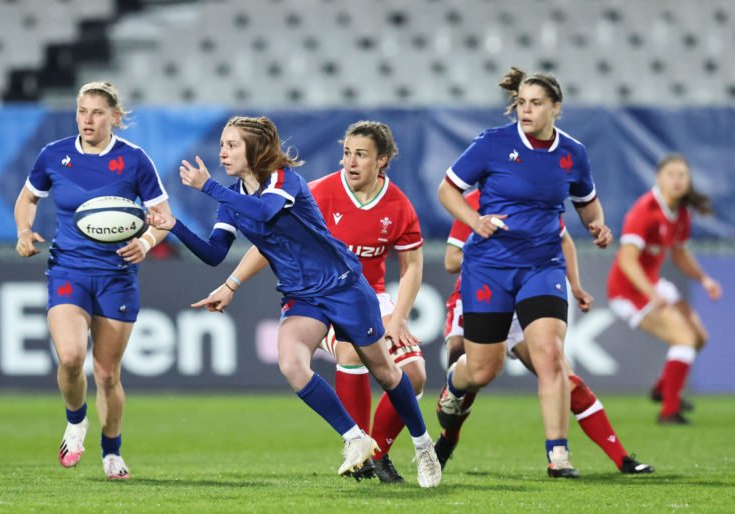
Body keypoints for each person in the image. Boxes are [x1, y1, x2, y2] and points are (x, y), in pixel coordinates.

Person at [147, 116, 441, 487]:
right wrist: (174, 225)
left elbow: (265, 212)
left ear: (254, 149)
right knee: (291, 364)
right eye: (222, 144)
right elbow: (213, 252)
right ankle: (355, 438)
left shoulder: (284, 180)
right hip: (302, 296)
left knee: (385, 372)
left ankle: (423, 445)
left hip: (345, 286)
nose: (222, 152)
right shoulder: (232, 199)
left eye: (232, 144)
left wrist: (208, 187)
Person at [436, 66, 613, 478]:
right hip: (490, 267)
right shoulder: (492, 144)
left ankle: (558, 455)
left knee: (550, 355)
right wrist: (474, 221)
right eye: (521, 103)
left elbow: (587, 203)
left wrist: (597, 226)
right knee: (483, 368)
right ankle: (454, 383)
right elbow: (447, 189)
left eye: (536, 104)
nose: (526, 110)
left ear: (556, 108)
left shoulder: (573, 153)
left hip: (542, 264)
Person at [13, 81, 171, 480]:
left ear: (114, 118)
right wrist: (23, 231)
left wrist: (148, 241)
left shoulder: (134, 160)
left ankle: (112, 451)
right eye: (82, 111)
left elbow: (163, 217)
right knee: (69, 357)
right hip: (68, 269)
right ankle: (75, 420)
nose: (88, 119)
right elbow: (28, 197)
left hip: (117, 275)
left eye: (97, 112)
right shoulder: (54, 155)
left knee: (106, 374)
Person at [434, 191, 654, 474]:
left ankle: (621, 458)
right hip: (480, 296)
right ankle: (448, 437)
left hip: (522, 302)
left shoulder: (538, 193)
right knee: (474, 375)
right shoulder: (476, 202)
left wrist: (575, 286)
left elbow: (564, 240)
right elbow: (451, 261)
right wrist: (498, 253)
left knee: (561, 372)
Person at [309, 120, 425, 483]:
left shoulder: (398, 205)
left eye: (361, 155)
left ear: (383, 161)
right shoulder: (319, 193)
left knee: (415, 375)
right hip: (322, 299)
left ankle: (379, 453)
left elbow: (411, 268)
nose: (351, 162)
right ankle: (357, 449)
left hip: (371, 297)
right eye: (347, 153)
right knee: (349, 350)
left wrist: (398, 319)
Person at [607, 154, 721, 425]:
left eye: (682, 175)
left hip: (652, 284)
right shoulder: (644, 210)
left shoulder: (680, 212)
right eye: (671, 174)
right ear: (659, 178)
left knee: (699, 337)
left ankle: (663, 388)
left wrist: (704, 279)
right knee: (684, 339)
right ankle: (669, 411)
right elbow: (626, 259)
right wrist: (651, 292)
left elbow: (679, 255)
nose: (677, 180)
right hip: (628, 291)